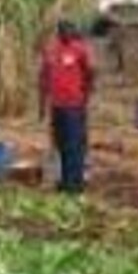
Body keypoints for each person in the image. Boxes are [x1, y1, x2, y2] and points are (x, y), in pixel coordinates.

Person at [39, 19, 95, 194]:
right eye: (63, 30)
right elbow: (43, 79)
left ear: (73, 31)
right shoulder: (51, 51)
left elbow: (91, 72)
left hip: (74, 106)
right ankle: (65, 180)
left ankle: (74, 183)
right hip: (57, 106)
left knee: (74, 144)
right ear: (58, 32)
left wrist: (86, 95)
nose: (66, 33)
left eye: (69, 29)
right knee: (61, 143)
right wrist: (41, 105)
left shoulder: (80, 49)